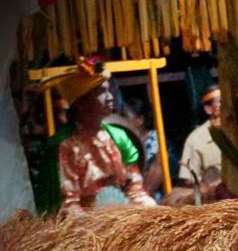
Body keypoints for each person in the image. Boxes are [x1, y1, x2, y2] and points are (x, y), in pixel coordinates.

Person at [43, 58, 156, 214]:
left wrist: (152, 212)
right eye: (102, 92)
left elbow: (134, 189)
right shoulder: (66, 145)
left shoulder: (118, 136)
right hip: (85, 224)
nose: (110, 97)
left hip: (123, 214)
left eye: (109, 90)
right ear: (82, 103)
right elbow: (69, 205)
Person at [179, 85, 224, 193]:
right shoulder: (195, 139)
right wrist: (210, 187)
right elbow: (188, 179)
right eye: (221, 102)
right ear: (208, 109)